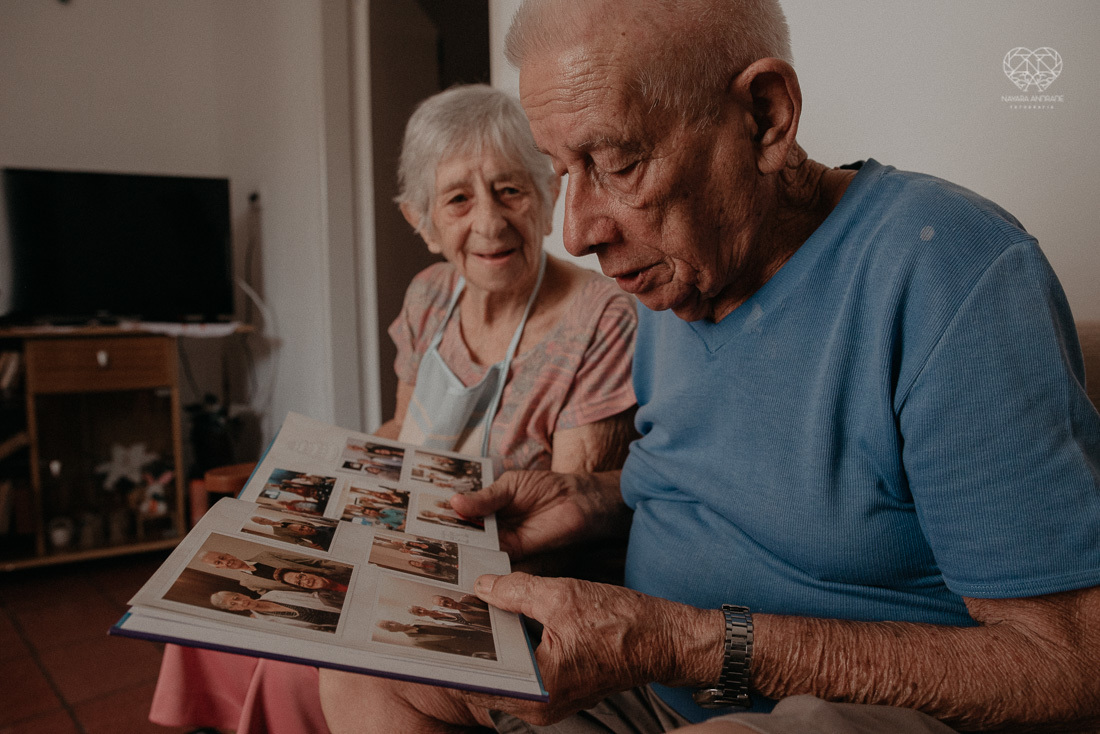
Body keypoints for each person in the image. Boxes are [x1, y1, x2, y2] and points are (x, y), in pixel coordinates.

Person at [318, 1, 1100, 733]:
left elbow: (1068, 664)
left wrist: (690, 643)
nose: (576, 231)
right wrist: (591, 498)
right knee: (366, 670)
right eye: (562, 171)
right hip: (651, 687)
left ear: (765, 118)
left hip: (830, 706)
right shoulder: (677, 269)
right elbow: (734, 481)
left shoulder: (949, 274)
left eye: (618, 163)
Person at [151, 82, 638, 734]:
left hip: (509, 578)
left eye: (511, 189)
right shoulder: (429, 296)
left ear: (548, 197)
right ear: (423, 222)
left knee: (291, 654)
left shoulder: (601, 316)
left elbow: (571, 526)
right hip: (396, 544)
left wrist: (395, 571)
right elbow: (401, 433)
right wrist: (318, 489)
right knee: (217, 604)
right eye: (458, 199)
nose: (489, 222)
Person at [210, 589, 342, 632]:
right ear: (235, 609)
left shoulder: (273, 594)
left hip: (338, 607)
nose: (241, 601)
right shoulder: (264, 622)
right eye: (234, 603)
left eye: (236, 597)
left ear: (242, 594)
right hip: (334, 629)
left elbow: (312, 596)